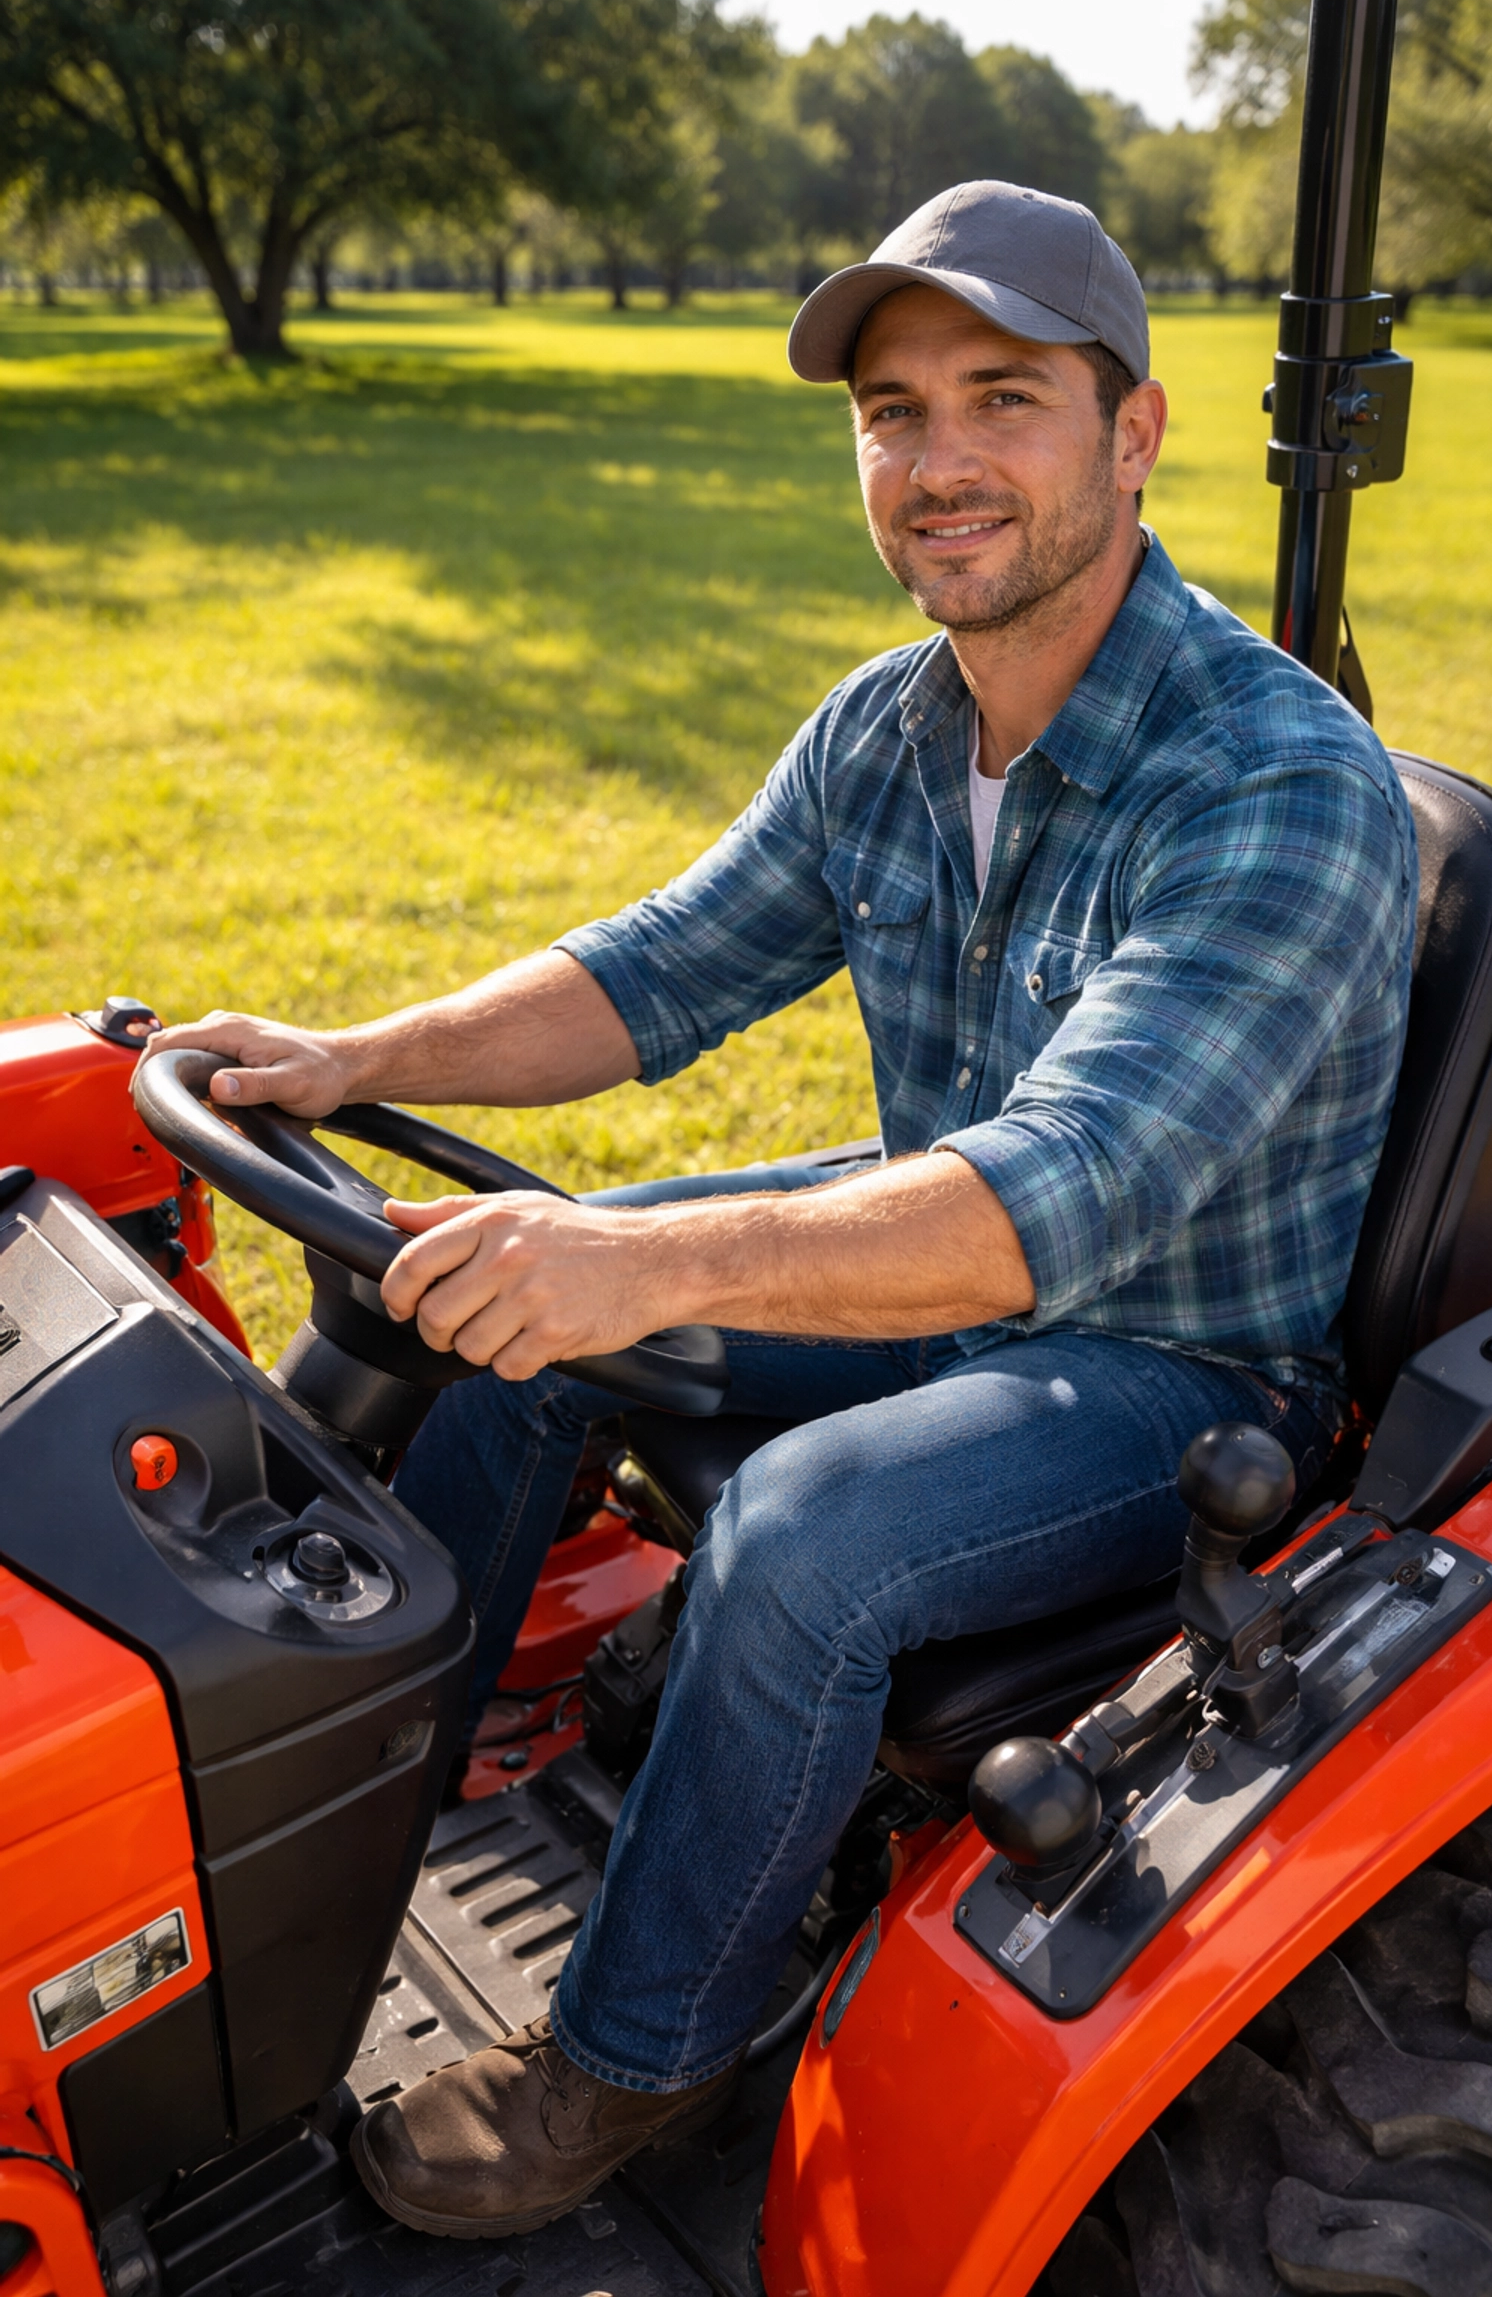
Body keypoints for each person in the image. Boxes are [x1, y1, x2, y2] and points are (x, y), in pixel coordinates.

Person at [144, 180, 1416, 2236]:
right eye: (893, 414)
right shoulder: (897, 725)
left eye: (1001, 398)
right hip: (953, 1243)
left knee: (806, 1535)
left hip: (1175, 1348)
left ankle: (626, 2067)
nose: (935, 463)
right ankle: (318, 1882)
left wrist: (631, 1255)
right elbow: (655, 969)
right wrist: (356, 1060)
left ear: (1136, 432)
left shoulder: (1274, 781)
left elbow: (1056, 1194)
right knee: (492, 1316)